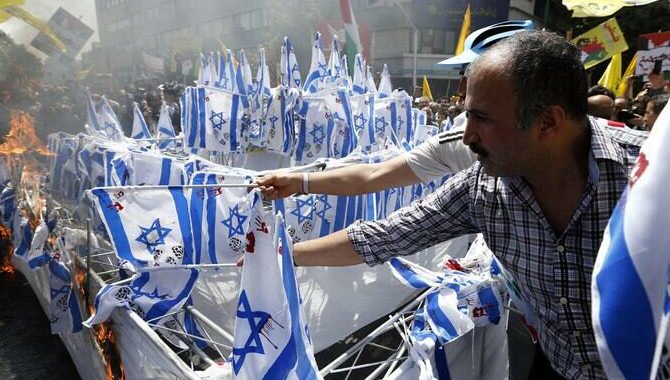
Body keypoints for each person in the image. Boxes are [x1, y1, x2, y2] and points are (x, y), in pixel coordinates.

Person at [279, 31, 648, 379]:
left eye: (482, 119)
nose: (467, 136)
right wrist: (282, 254)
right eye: (467, 114)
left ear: (547, 122)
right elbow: (386, 236)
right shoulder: (482, 188)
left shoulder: (649, 178)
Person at [256, 21, 534, 199]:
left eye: (472, 74)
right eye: (463, 74)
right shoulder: (461, 147)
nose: (461, 89)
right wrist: (301, 181)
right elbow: (375, 176)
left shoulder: (576, 163)